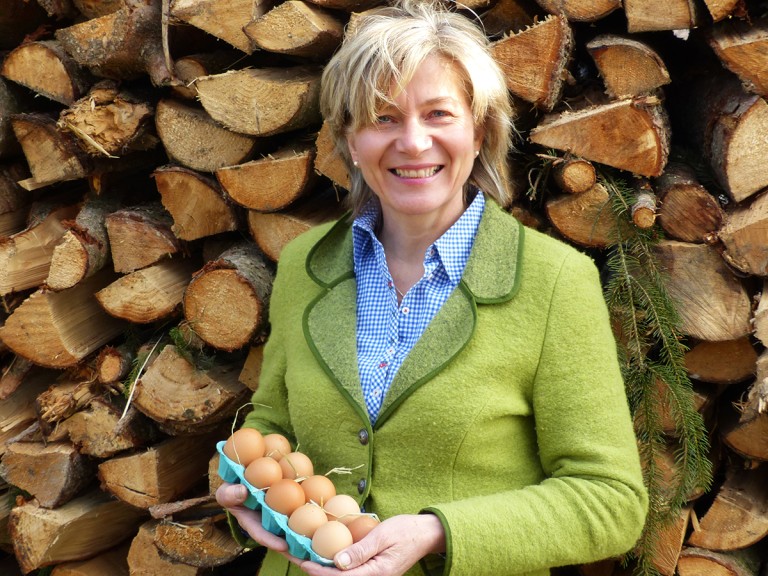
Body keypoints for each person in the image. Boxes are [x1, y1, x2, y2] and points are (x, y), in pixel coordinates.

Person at [216, 1, 648, 575]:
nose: (413, 143)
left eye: (439, 114)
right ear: (349, 137)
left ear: (481, 129)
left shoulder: (554, 282)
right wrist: (246, 493)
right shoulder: (303, 265)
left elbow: (609, 501)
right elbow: (271, 425)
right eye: (383, 118)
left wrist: (438, 532)